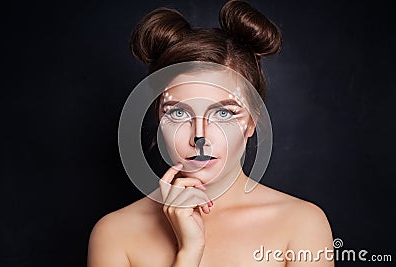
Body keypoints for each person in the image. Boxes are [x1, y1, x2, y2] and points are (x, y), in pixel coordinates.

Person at [87, 1, 334, 266]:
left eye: (223, 113)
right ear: (159, 120)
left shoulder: (301, 225)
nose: (199, 137)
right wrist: (189, 252)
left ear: (252, 122)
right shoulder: (115, 234)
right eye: (178, 113)